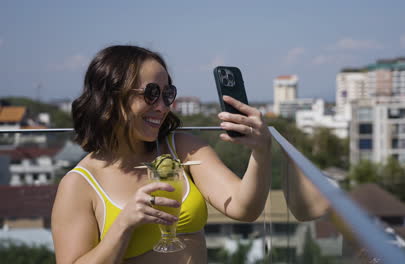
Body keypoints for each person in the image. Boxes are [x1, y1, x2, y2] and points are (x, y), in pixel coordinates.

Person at [51, 45, 272, 264]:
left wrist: (261, 152)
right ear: (111, 97)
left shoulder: (184, 149)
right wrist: (123, 225)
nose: (163, 107)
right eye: (151, 94)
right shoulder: (79, 184)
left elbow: (244, 209)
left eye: (167, 94)